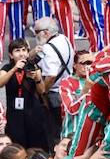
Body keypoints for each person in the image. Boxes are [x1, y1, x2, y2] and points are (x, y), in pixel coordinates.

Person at [0, 39, 49, 149]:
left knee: (36, 145)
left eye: (24, 50)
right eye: (17, 50)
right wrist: (14, 69)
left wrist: (38, 78)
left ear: (28, 52)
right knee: (16, 146)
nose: (21, 53)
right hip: (15, 114)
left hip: (33, 112)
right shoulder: (7, 68)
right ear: (11, 55)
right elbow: (1, 83)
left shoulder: (33, 66)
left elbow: (42, 91)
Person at [33, 17, 74, 145]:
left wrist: (42, 91)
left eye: (37, 32)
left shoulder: (49, 47)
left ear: (45, 32)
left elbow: (51, 75)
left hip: (54, 94)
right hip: (67, 88)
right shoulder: (64, 39)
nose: (36, 35)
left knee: (53, 128)